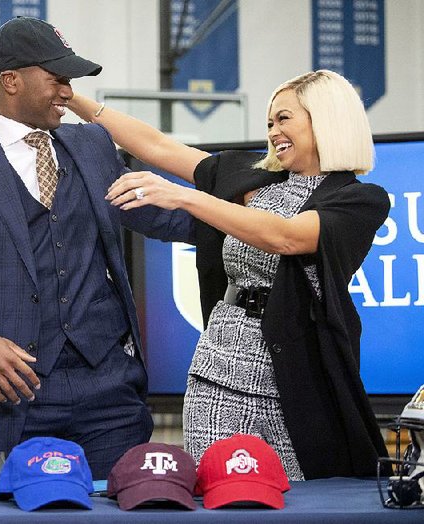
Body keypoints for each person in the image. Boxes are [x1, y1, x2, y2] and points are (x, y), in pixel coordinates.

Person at [0, 17, 193, 479]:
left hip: (110, 396)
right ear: (11, 81)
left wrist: (250, 218)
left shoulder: (92, 145)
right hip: (11, 401)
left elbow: (160, 217)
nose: (69, 92)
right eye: (57, 79)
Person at [68, 70, 390, 480]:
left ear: (325, 119)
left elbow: (286, 237)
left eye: (285, 119)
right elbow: (156, 145)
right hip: (219, 369)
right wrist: (75, 101)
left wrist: (186, 197)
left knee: (299, 499)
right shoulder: (250, 176)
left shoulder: (360, 200)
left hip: (297, 383)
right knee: (221, 493)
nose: (273, 132)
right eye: (270, 122)